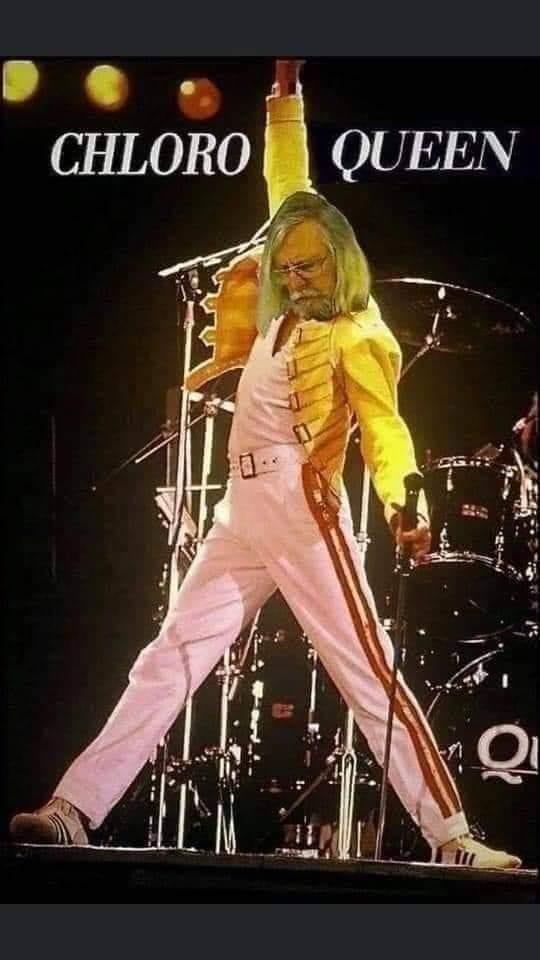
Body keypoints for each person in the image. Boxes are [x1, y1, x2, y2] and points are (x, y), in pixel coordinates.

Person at [10, 60, 521, 870]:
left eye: (307, 267)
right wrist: (286, 94)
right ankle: (74, 809)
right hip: (239, 506)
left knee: (366, 669)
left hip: (302, 504)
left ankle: (453, 836)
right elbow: (290, 181)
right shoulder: (285, 300)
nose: (292, 276)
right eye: (285, 267)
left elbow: (386, 429)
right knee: (170, 654)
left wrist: (406, 504)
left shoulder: (361, 333)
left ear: (340, 262)